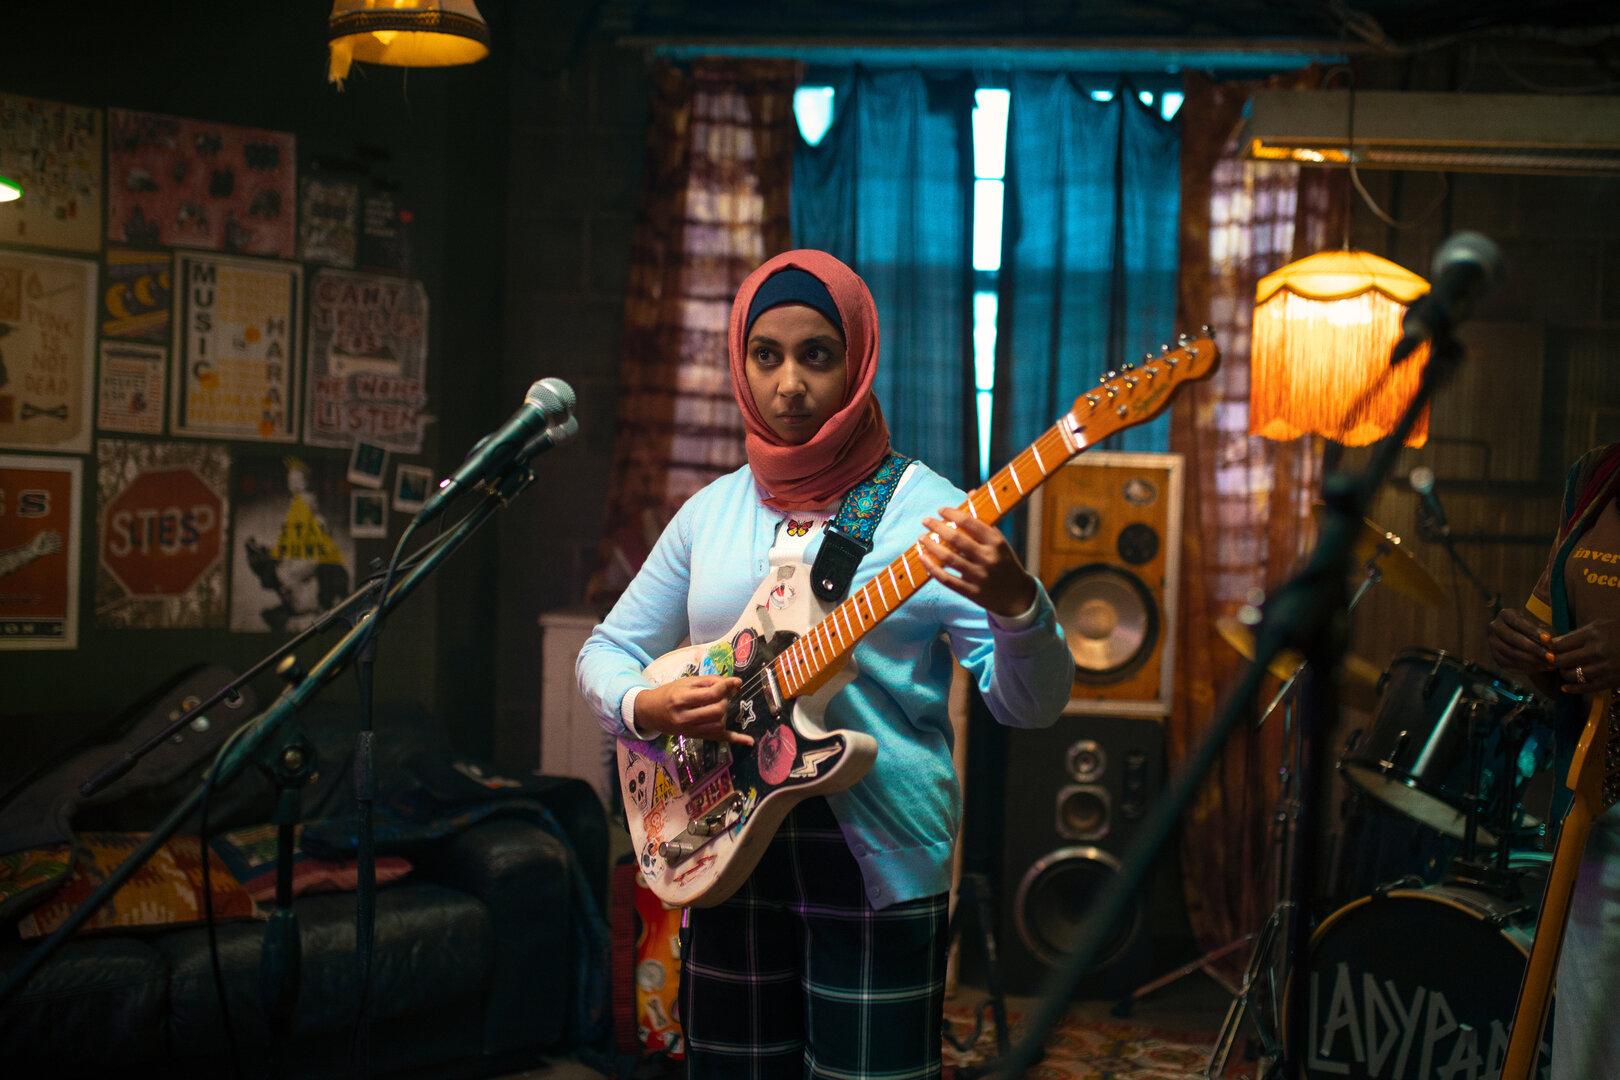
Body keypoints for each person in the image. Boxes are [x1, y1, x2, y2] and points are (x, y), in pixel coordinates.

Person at [577, 250, 1072, 1077]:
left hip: (875, 857)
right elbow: (608, 650)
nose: (789, 384)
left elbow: (1030, 706)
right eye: (765, 355)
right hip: (722, 846)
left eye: (817, 354)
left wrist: (1019, 601)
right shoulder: (711, 513)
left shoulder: (935, 515)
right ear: (740, 361)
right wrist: (646, 709)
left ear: (859, 360)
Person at [1487, 441, 1620, 1080]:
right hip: (1597, 822)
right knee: (1585, 1063)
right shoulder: (1596, 477)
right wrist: (1530, 650)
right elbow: (1564, 665)